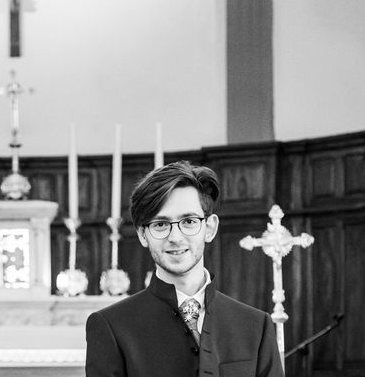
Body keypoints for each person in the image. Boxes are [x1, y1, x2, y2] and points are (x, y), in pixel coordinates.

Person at [85, 161, 284, 377]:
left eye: (189, 221)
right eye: (160, 224)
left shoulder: (256, 326)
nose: (176, 238)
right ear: (143, 235)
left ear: (209, 228)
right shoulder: (111, 327)